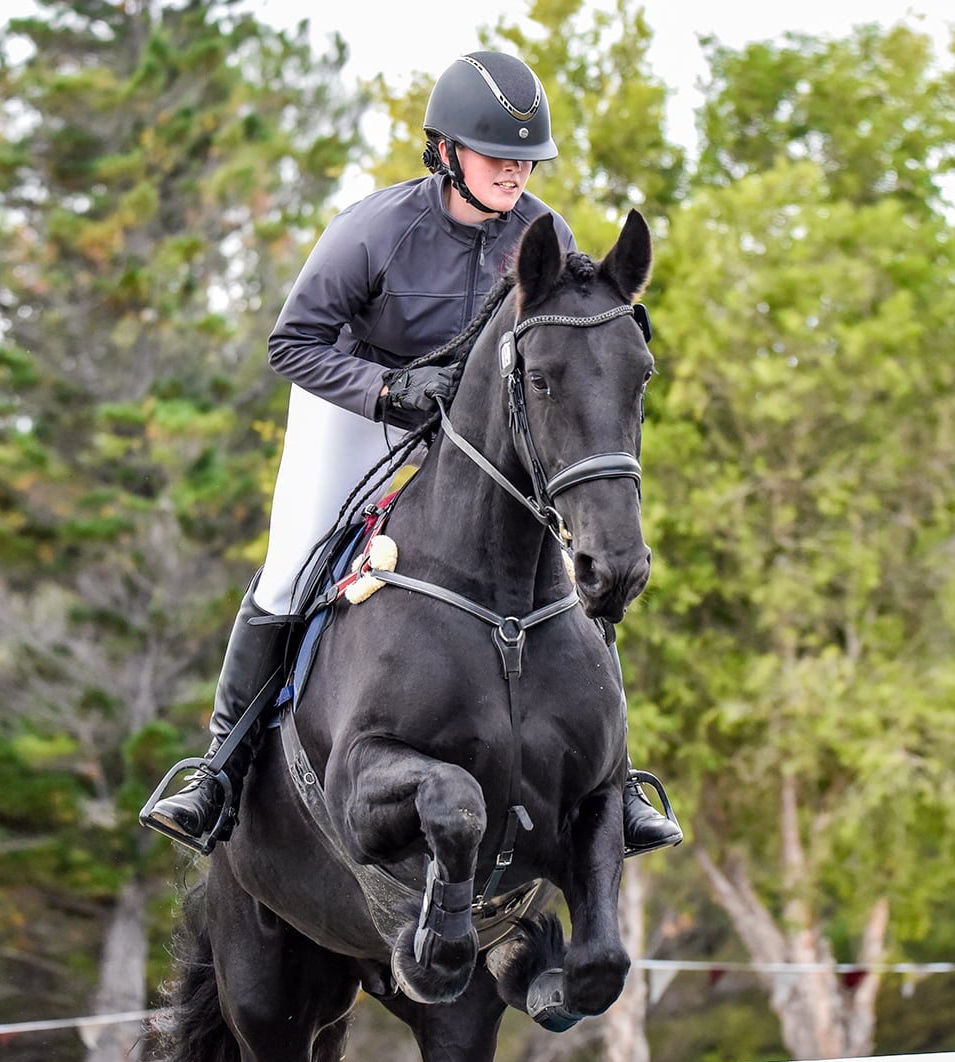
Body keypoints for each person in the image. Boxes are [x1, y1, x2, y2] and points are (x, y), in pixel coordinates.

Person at [141, 50, 682, 858]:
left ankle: (618, 779)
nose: (515, 170)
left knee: (575, 566)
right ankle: (218, 769)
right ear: (446, 152)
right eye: (498, 154)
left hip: (471, 426)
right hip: (356, 405)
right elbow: (292, 342)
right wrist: (389, 391)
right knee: (294, 566)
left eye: (526, 158)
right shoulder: (373, 230)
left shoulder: (544, 233)